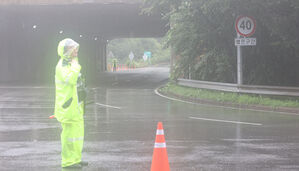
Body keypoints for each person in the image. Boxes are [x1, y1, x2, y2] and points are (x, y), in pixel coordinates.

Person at [54, 38, 88, 168]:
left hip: (76, 105)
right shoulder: (63, 65)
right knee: (69, 136)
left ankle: (76, 159)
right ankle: (68, 162)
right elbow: (71, 79)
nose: (76, 51)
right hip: (67, 107)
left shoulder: (70, 63)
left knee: (78, 134)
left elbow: (78, 82)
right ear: (66, 51)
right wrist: (76, 65)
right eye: (73, 49)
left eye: (76, 49)